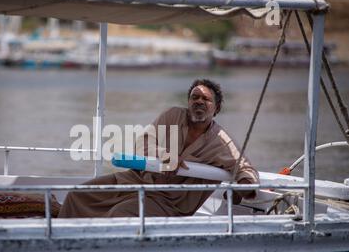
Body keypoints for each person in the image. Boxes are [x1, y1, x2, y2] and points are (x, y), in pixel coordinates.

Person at [56, 79, 259, 218]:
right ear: (188, 102)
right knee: (78, 195)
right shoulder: (172, 116)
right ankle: (58, 247)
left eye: (205, 99)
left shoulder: (220, 141)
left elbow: (244, 167)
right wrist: (165, 155)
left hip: (169, 200)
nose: (199, 101)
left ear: (217, 108)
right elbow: (142, 144)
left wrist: (244, 188)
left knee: (121, 213)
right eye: (194, 97)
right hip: (138, 180)